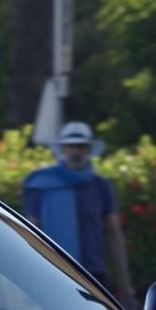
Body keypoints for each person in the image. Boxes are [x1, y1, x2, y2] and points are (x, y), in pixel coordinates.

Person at [20, 121, 129, 298]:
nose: (76, 152)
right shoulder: (43, 184)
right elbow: (31, 232)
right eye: (71, 147)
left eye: (80, 146)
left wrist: (124, 281)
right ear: (63, 149)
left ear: (88, 150)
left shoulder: (101, 186)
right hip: (54, 270)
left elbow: (114, 232)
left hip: (93, 271)